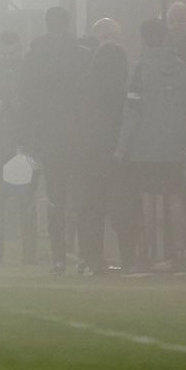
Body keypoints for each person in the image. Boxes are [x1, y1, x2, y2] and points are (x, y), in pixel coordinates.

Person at [115, 18, 186, 273]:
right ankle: (180, 253)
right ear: (165, 36)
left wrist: (121, 147)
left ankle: (147, 252)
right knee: (175, 196)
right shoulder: (180, 67)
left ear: (144, 39)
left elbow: (133, 110)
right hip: (174, 144)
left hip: (145, 146)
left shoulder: (140, 68)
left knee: (147, 198)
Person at [20, 6, 91, 275]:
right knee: (80, 195)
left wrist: (29, 134)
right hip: (77, 133)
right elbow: (87, 94)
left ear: (46, 24)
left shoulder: (35, 54)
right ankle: (85, 255)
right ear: (68, 22)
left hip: (48, 135)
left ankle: (58, 257)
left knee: (55, 197)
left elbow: (25, 95)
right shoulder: (80, 52)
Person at [76, 18, 134, 275]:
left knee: (91, 207)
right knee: (122, 206)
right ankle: (129, 260)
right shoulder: (124, 87)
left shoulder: (87, 83)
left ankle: (92, 259)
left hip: (90, 151)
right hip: (118, 151)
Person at [0, 31, 38, 264]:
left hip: (25, 146)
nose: (8, 57)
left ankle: (29, 256)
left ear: (20, 49)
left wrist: (19, 107)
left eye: (12, 53)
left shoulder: (31, 74)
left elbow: (37, 110)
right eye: (4, 53)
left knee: (26, 205)